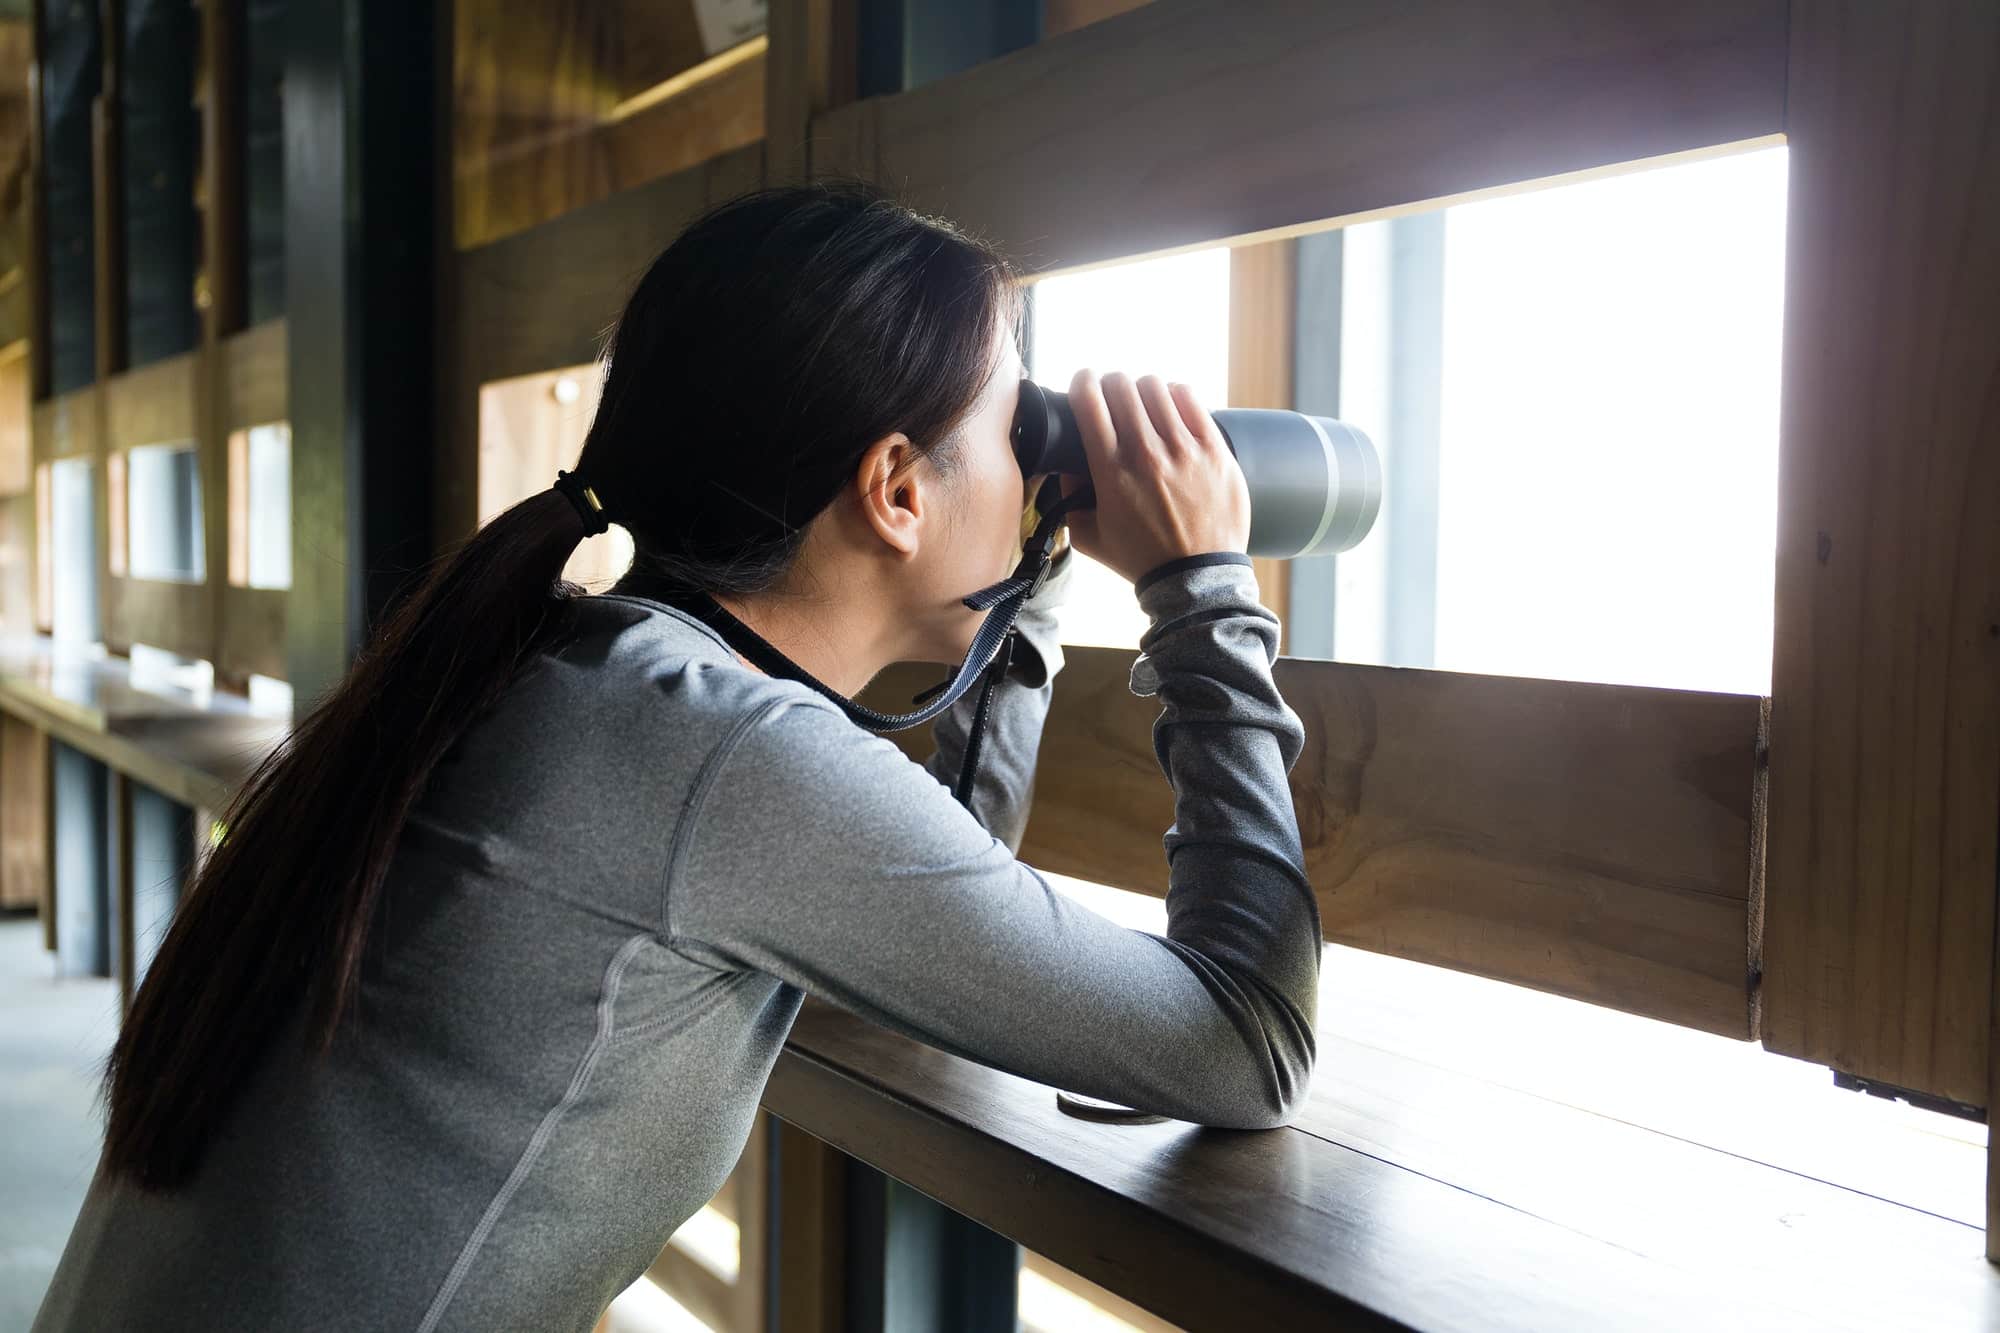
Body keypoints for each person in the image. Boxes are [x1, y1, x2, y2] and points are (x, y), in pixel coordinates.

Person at [32, 179, 1319, 1331]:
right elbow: (1248, 1045)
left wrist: (1031, 578)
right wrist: (1203, 584)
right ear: (894, 489)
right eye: (1009, 425)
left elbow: (934, 907)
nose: (1034, 457)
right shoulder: (726, 751)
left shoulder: (584, 673)